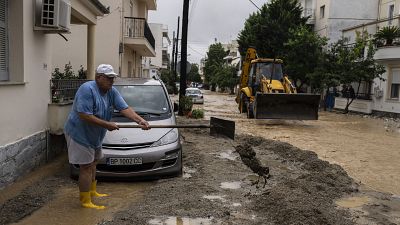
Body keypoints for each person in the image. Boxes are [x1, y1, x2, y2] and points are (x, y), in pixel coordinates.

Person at [64, 64, 150, 209]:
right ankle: (85, 201)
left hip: (95, 135)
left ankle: (92, 191)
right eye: (109, 78)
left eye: (113, 78)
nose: (112, 81)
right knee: (85, 166)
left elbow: (124, 108)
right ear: (98, 77)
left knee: (94, 162)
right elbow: (84, 115)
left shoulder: (111, 91)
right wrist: (107, 124)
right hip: (80, 133)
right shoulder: (87, 89)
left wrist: (139, 120)